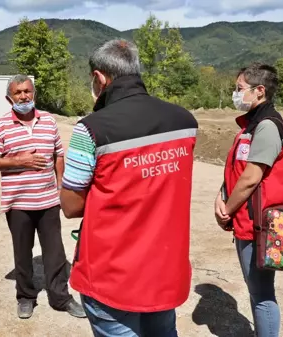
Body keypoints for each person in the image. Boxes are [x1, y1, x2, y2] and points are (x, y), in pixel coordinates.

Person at [60, 39, 198, 336]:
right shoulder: (184, 121)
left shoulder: (92, 128)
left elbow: (71, 206)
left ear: (99, 78)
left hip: (112, 274)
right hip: (163, 271)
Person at [0, 74, 86, 319]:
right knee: (22, 252)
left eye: (27, 91)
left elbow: (58, 154)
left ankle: (61, 298)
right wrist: (19, 161)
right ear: (10, 98)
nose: (24, 96)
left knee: (56, 252)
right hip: (18, 204)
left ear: (34, 93)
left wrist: (62, 188)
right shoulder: (1, 126)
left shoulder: (48, 121)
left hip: (48, 201)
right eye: (18, 93)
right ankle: (25, 297)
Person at [214, 63, 283, 337]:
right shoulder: (252, 124)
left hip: (258, 224)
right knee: (255, 288)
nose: (236, 94)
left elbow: (250, 178)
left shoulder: (267, 126)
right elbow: (236, 170)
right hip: (247, 222)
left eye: (239, 89)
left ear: (259, 91)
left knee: (261, 293)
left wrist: (228, 209)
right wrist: (219, 197)